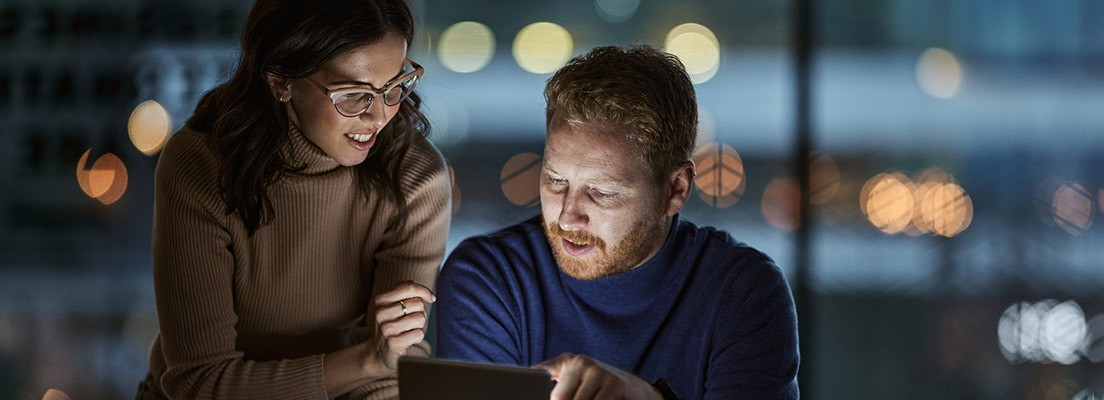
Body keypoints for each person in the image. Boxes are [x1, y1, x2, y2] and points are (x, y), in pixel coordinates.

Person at [435, 45, 800, 400]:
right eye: (555, 181)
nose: (567, 216)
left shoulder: (743, 294)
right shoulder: (490, 278)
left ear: (676, 189)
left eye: (602, 193)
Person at [137, 0, 450, 398]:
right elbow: (199, 383)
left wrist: (379, 366)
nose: (379, 116)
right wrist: (367, 361)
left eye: (394, 87)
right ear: (281, 80)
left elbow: (393, 370)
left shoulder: (414, 179)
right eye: (353, 94)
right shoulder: (201, 168)